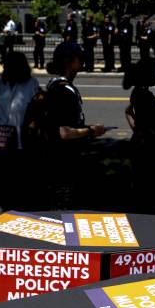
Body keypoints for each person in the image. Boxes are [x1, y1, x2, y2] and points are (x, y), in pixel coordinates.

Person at [45, 41, 107, 209]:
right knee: (64, 212)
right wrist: (90, 130)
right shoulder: (64, 92)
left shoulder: (53, 86)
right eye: (79, 59)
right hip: (64, 163)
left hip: (57, 160)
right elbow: (64, 132)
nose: (82, 62)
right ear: (68, 61)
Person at [0, 50, 39, 210]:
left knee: (18, 170)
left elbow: (35, 109)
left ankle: (18, 203)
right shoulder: (3, 82)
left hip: (20, 134)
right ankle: (2, 201)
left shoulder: (31, 83)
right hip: (1, 133)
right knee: (0, 169)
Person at [124, 58, 155, 212]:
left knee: (140, 185)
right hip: (147, 148)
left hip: (142, 144)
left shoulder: (137, 92)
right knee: (147, 186)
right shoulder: (145, 96)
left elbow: (128, 112)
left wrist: (137, 130)